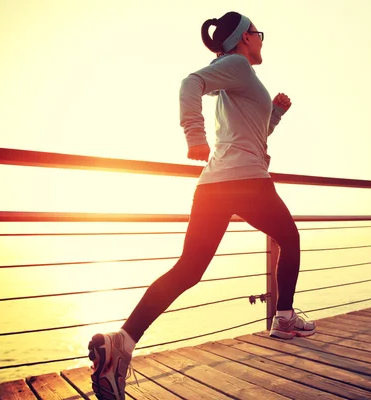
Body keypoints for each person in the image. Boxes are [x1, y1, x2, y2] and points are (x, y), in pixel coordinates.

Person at [87, 11, 315, 400]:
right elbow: (189, 83)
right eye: (258, 33)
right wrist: (194, 133)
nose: (262, 40)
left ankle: (121, 344)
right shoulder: (239, 67)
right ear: (245, 38)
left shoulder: (238, 77)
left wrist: (274, 113)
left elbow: (251, 134)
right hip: (245, 181)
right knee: (290, 238)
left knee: (188, 270)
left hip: (215, 184)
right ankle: (284, 318)